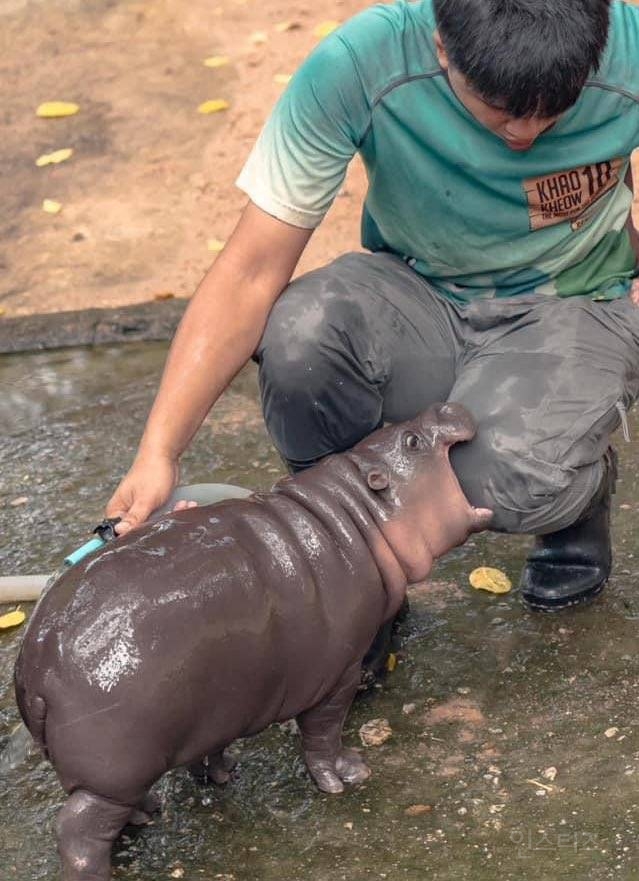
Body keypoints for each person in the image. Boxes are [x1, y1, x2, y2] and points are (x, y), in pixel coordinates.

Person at [107, 0, 639, 647]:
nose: (524, 133)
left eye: (552, 108)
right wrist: (158, 452)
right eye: (499, 108)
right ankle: (350, 568)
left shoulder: (631, 48)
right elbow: (249, 272)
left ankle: (573, 493)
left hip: (568, 303)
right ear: (442, 47)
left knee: (501, 482)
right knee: (301, 341)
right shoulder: (358, 63)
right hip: (417, 288)